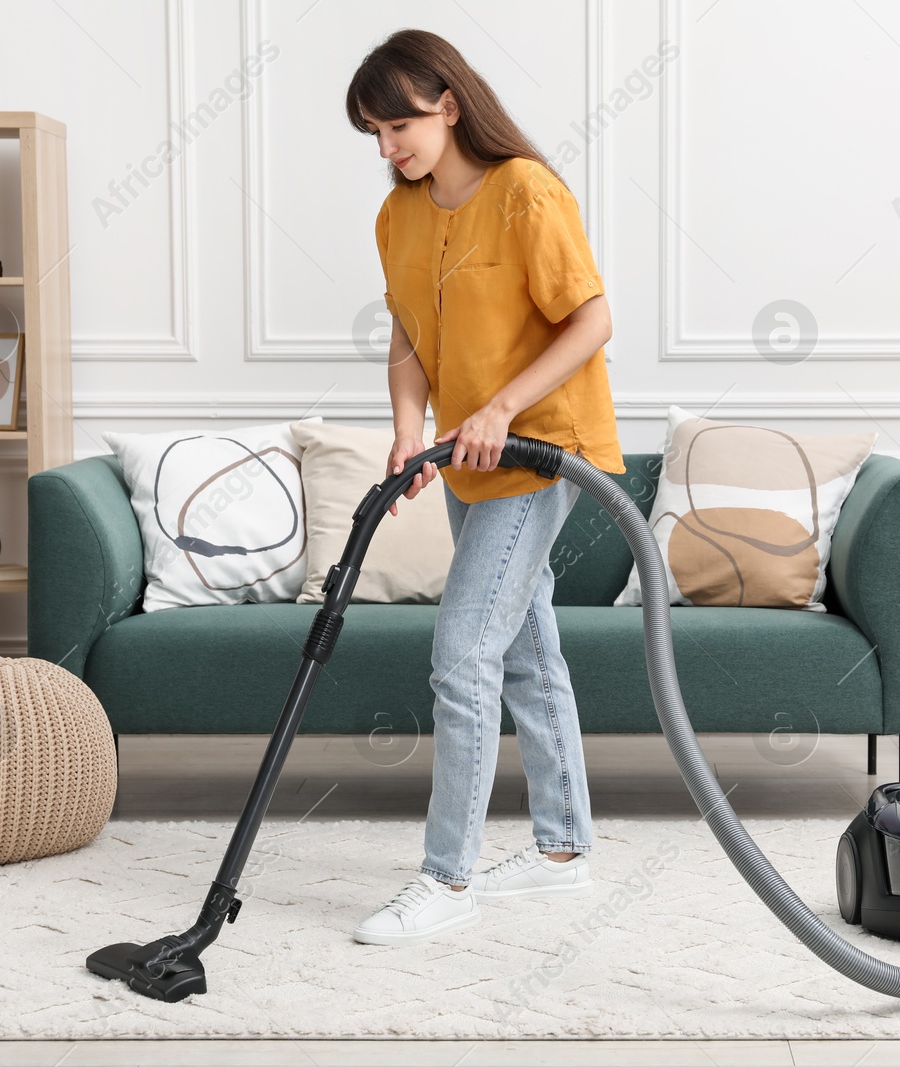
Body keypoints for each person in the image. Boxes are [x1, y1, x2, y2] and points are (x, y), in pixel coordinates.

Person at [344, 29, 626, 945]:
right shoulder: (400, 217)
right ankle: (561, 851)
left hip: (541, 452)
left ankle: (446, 876)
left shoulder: (526, 193)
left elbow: (592, 319)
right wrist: (405, 427)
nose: (389, 149)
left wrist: (501, 406)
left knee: (462, 653)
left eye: (399, 126)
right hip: (466, 463)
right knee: (526, 652)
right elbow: (407, 338)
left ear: (449, 104)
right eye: (374, 135)